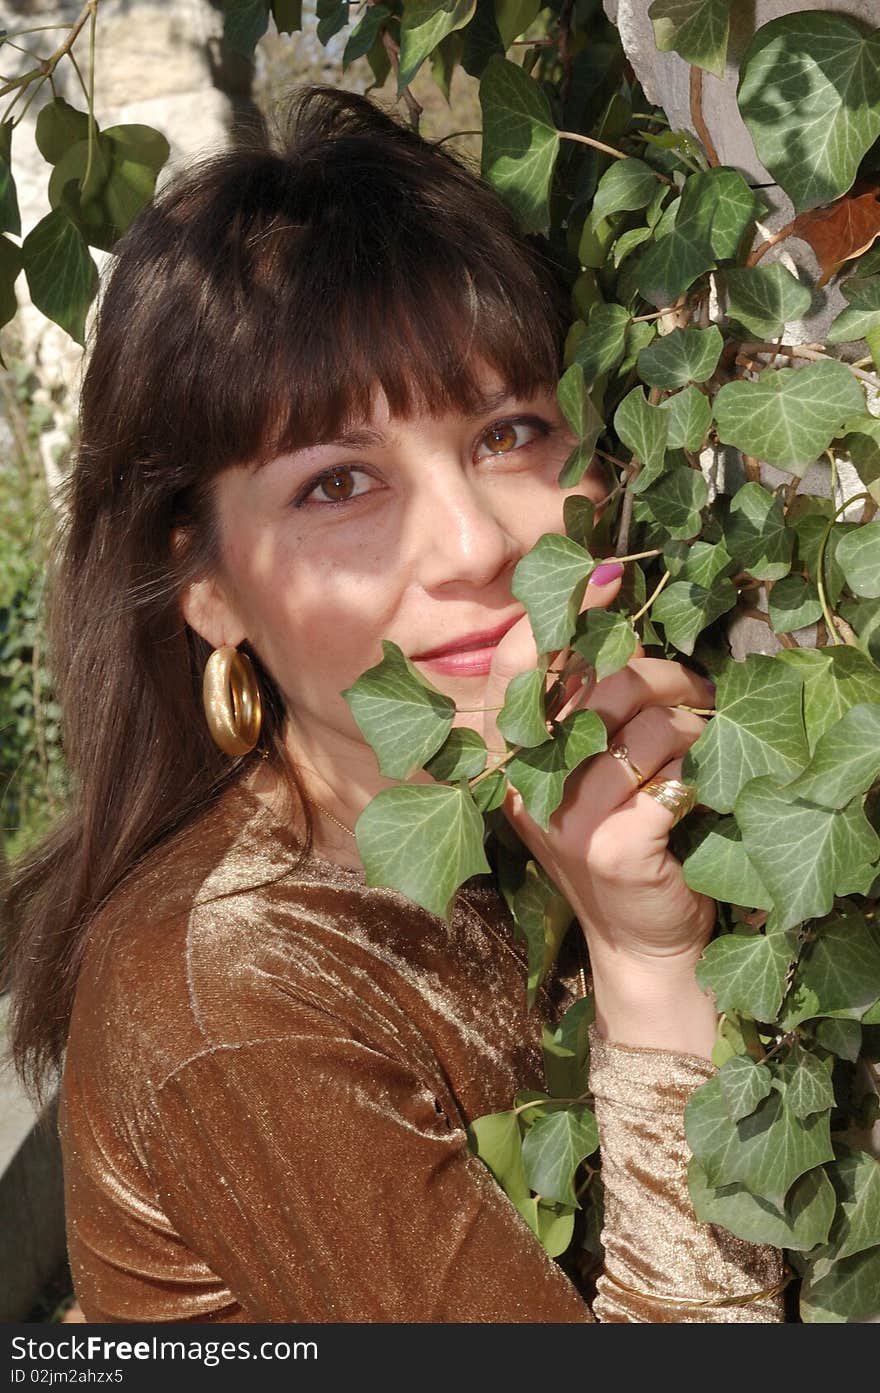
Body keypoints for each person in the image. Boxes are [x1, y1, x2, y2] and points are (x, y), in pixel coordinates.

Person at [4, 86, 786, 1323]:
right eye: (337, 484)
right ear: (206, 586)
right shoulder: (236, 992)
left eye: (508, 429)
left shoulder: (516, 800)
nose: (473, 541)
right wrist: (648, 975)